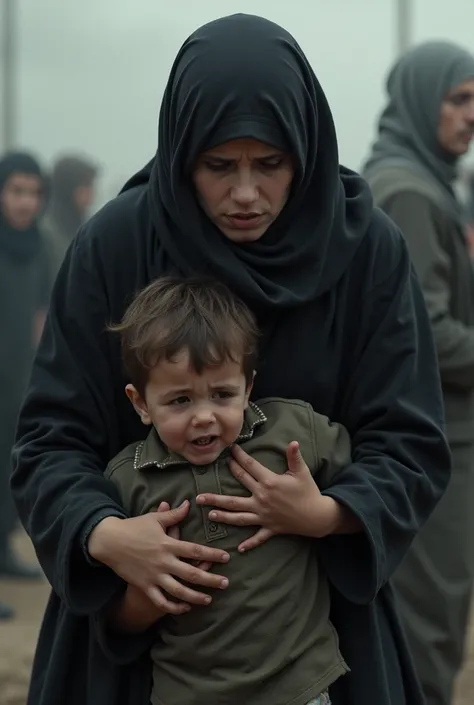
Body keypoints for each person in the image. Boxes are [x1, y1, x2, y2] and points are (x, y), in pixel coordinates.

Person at [11, 14, 451, 705]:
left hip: (321, 650)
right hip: (133, 649)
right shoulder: (115, 247)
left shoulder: (367, 251)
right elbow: (47, 442)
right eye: (219, 165)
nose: (246, 194)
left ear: (304, 150)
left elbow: (412, 441)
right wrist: (106, 534)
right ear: (183, 151)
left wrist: (330, 511)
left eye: (270, 163)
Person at [105, 275, 351, 705]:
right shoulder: (126, 480)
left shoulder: (294, 434)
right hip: (186, 693)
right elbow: (115, 618)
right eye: (180, 400)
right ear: (140, 403)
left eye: (222, 394)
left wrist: (322, 512)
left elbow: (374, 494)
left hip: (299, 687)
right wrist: (145, 600)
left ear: (248, 386)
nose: (204, 417)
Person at [362, 41, 474, 705]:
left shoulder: (421, 180)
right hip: (435, 438)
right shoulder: (407, 191)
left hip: (428, 433)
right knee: (427, 623)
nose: (470, 117)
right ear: (417, 98)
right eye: (459, 99)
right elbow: (426, 332)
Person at [0, 152, 48, 620]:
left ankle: (3, 553)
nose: (25, 202)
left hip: (17, 382)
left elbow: (39, 313)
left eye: (33, 193)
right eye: (16, 191)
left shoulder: (36, 246)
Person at [42, 154, 98, 281]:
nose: (91, 195)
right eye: (86, 187)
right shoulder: (46, 234)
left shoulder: (85, 228)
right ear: (68, 188)